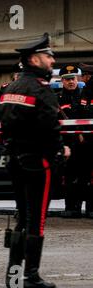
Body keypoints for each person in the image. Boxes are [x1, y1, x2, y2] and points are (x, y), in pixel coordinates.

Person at [0, 33, 70, 288]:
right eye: (47, 55)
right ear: (33, 59)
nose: (52, 60)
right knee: (36, 220)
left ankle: (14, 277)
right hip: (37, 163)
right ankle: (30, 276)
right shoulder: (40, 90)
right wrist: (60, 150)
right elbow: (50, 128)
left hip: (14, 160)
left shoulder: (11, 88)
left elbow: (2, 122)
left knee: (21, 218)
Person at [57, 65, 84, 218]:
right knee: (69, 176)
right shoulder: (57, 99)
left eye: (73, 78)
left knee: (84, 176)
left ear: (77, 79)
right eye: (67, 79)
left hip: (83, 143)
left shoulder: (84, 96)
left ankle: (82, 207)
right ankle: (70, 207)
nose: (70, 82)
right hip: (67, 144)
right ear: (62, 81)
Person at [79, 63, 93, 218]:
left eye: (83, 75)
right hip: (88, 137)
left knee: (87, 175)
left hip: (89, 139)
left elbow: (84, 111)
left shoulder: (89, 88)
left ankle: (90, 208)